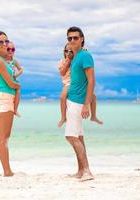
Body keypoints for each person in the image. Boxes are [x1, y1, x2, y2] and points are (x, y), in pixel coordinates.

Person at [64, 26, 100, 182]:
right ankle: (80, 170)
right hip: (72, 100)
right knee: (79, 136)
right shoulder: (76, 57)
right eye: (69, 38)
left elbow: (91, 81)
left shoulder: (85, 56)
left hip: (78, 102)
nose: (72, 40)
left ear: (82, 39)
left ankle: (87, 171)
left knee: (71, 136)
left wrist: (87, 104)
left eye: (75, 38)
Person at [0, 31, 20, 177]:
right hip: (6, 98)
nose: (4, 44)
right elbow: (11, 82)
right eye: (1, 42)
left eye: (6, 41)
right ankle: (7, 171)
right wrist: (17, 86)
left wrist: (1, 85)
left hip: (3, 97)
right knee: (4, 138)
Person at [58, 44, 103, 127]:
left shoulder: (77, 59)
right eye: (66, 51)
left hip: (79, 83)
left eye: (71, 51)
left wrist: (81, 53)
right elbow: (62, 72)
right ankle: (63, 117)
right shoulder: (63, 61)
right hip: (68, 83)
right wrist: (68, 60)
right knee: (62, 97)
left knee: (93, 96)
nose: (68, 53)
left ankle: (93, 116)